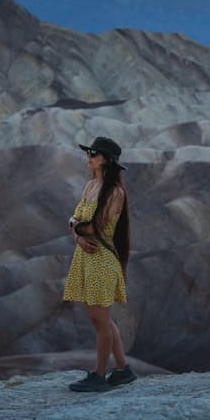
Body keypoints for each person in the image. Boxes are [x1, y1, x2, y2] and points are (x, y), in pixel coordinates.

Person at [62, 136, 136, 392]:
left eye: (94, 153)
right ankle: (124, 369)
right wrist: (77, 236)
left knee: (99, 320)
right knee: (102, 318)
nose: (89, 156)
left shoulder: (115, 193)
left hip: (101, 260)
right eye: (88, 152)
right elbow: (74, 221)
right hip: (87, 256)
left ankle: (99, 375)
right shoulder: (91, 185)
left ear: (107, 159)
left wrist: (77, 231)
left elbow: (95, 227)